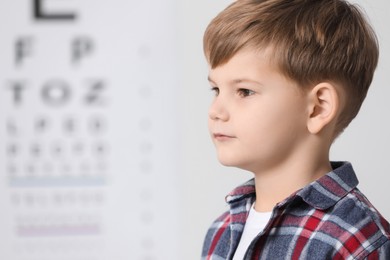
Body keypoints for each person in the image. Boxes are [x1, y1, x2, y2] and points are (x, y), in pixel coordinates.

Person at [201, 0, 390, 259]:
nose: (215, 111)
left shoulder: (358, 241)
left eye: (245, 91)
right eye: (216, 90)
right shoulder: (221, 230)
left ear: (318, 108)